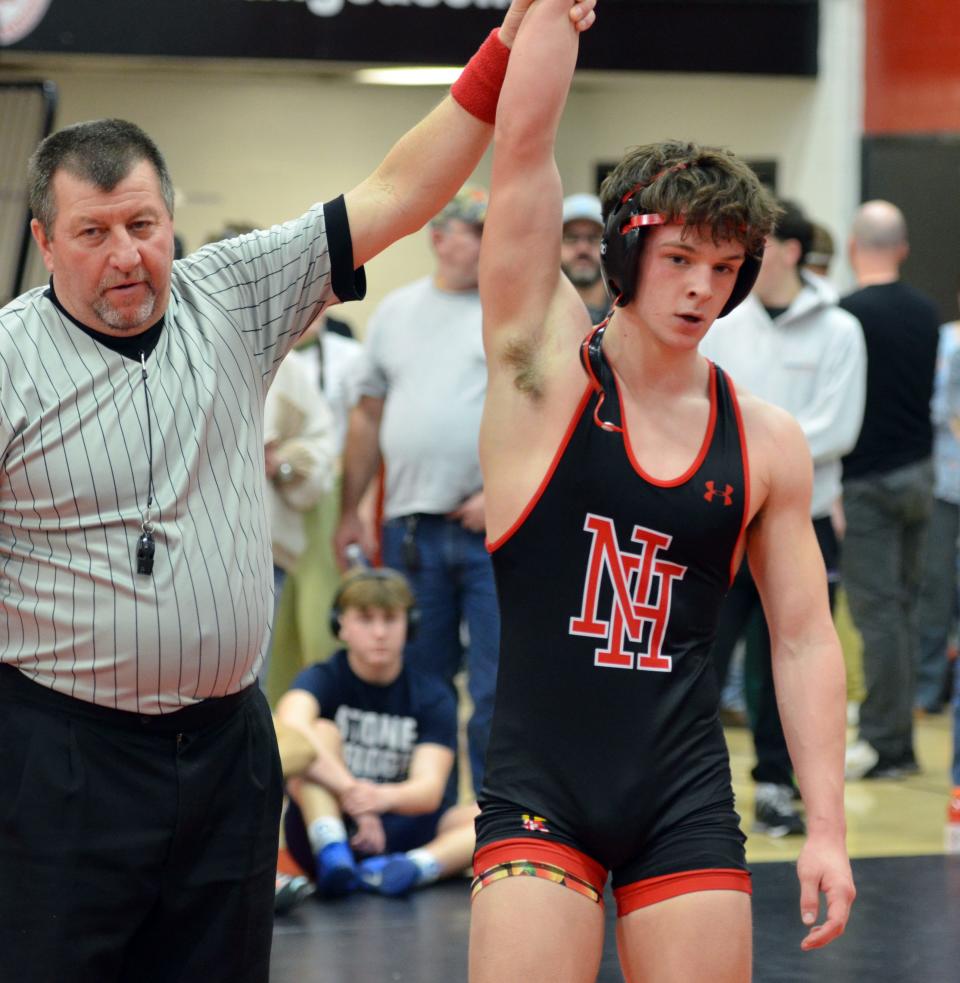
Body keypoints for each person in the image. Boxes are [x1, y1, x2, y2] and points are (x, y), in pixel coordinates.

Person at [0, 3, 597, 979]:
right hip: (63, 756)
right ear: (46, 240)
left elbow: (401, 188)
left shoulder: (229, 292)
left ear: (172, 217)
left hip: (229, 747)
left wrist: (506, 42)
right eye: (94, 232)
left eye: (144, 225)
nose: (126, 255)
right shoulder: (9, 361)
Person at [467, 3, 854, 980]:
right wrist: (547, 18)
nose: (700, 292)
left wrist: (827, 827)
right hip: (540, 788)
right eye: (680, 260)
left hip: (682, 792)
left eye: (724, 269)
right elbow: (521, 158)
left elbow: (803, 634)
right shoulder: (544, 375)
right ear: (625, 252)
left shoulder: (764, 439)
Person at [700, 199, 866, 836]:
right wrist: (747, 465)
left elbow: (840, 425)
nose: (739, 261)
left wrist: (764, 461)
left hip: (804, 519)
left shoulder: (840, 329)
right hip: (721, 516)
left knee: (787, 659)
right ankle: (689, 783)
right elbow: (702, 402)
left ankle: (775, 786)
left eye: (753, 246)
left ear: (791, 250)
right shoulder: (722, 319)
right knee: (702, 656)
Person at [334, 185, 500, 799]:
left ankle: (493, 816)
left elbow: (543, 419)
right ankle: (431, 810)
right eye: (476, 230)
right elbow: (366, 418)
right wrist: (351, 510)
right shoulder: (396, 314)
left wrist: (500, 494)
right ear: (439, 238)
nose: (487, 242)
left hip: (491, 529)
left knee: (493, 686)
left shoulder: (506, 310)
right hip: (409, 530)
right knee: (423, 683)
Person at [275, 566, 478, 899]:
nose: (380, 632)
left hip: (402, 832)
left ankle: (411, 867)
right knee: (318, 734)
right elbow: (291, 726)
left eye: (390, 619)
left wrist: (378, 799)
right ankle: (332, 850)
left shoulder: (432, 694)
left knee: (488, 817)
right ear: (341, 625)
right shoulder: (323, 677)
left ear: (408, 626)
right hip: (332, 819)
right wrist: (354, 798)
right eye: (366, 619)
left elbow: (428, 789)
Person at [840, 200, 940, 781]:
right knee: (903, 612)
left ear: (856, 245)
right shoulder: (925, 312)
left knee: (876, 616)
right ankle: (897, 740)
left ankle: (884, 742)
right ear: (901, 248)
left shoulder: (847, 315)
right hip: (919, 476)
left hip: (868, 481)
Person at [263, 345, 337, 687]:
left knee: (248, 683)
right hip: (171, 549)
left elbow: (322, 444)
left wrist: (283, 464)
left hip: (259, 553)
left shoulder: (274, 358)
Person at [913, 283, 960, 715]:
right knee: (936, 587)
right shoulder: (947, 340)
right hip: (945, 482)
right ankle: (927, 690)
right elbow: (937, 408)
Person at [561, 191, 610, 323]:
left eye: (594, 238)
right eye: (571, 237)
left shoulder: (628, 314)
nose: (583, 249)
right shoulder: (538, 315)